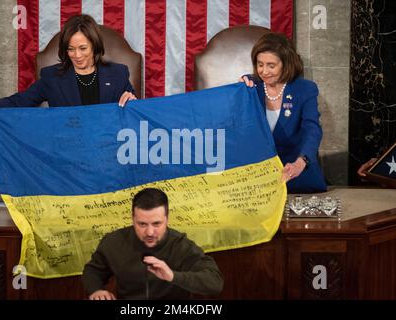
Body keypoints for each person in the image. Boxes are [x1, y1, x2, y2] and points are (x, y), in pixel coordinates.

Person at [0, 14, 136, 120]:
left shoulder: (118, 73)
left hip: (107, 152)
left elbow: (135, 110)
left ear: (94, 46)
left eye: (83, 48)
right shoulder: (52, 77)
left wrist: (133, 102)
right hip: (67, 155)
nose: (77, 55)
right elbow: (21, 100)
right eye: (71, 49)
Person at [82, 188, 224, 300]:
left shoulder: (181, 246)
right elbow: (93, 270)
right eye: (142, 224)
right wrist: (96, 290)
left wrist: (173, 276)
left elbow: (215, 282)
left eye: (156, 223)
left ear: (167, 219)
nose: (149, 232)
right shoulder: (114, 242)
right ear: (133, 219)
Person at [240, 32, 326, 193]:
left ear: (286, 64)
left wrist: (301, 162)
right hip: (257, 180)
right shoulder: (249, 87)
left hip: (295, 174)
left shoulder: (305, 89)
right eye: (260, 64)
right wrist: (237, 92)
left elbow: (312, 129)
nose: (264, 71)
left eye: (271, 66)